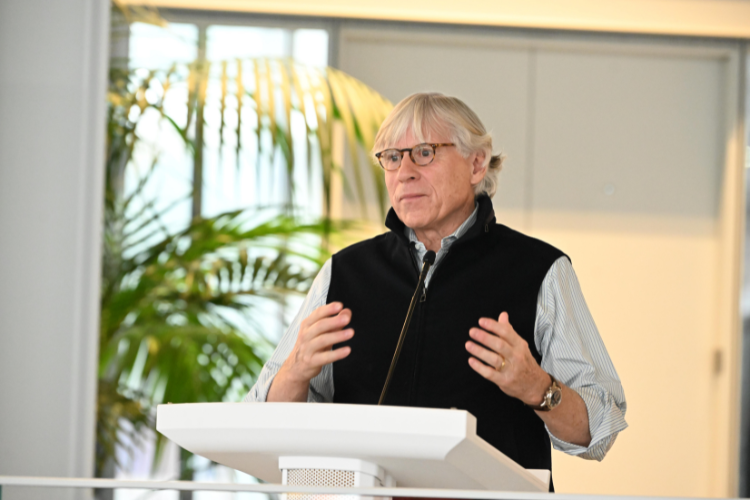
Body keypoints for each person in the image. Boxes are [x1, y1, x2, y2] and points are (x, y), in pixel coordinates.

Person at [245, 92, 627, 476]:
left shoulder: (540, 269)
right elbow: (260, 426)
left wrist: (538, 387)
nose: (405, 172)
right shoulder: (344, 272)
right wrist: (294, 371)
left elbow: (598, 429)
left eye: (424, 152)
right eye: (392, 157)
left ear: (477, 163)